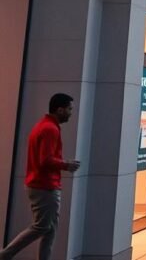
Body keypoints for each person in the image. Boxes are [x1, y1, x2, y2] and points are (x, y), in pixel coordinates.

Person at [0, 94, 80, 260]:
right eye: (69, 109)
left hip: (43, 184)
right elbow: (46, 159)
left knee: (49, 229)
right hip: (44, 185)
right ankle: (5, 255)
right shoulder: (49, 129)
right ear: (60, 109)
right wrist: (67, 164)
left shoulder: (45, 126)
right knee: (42, 226)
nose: (71, 113)